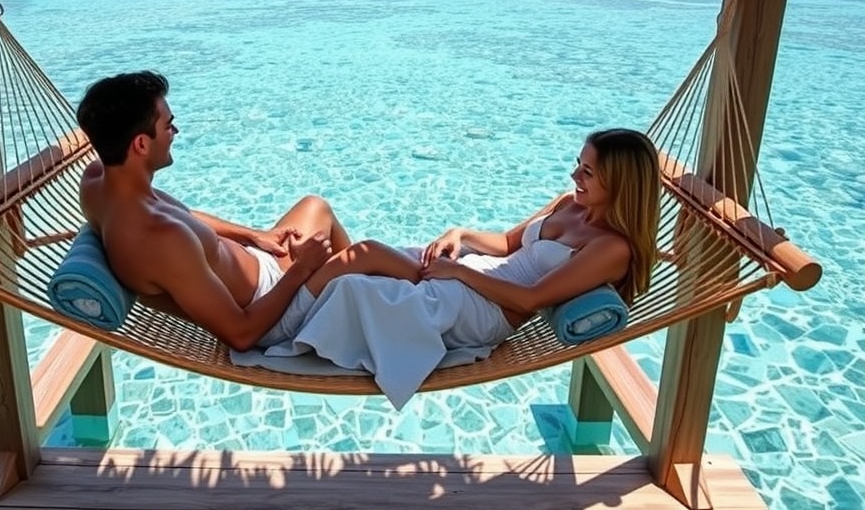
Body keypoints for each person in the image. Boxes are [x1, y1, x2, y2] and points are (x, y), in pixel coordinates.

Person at [275, 128, 662, 349]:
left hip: (488, 311)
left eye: (588, 172)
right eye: (578, 165)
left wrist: (458, 274)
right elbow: (509, 244)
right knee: (361, 264)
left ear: (620, 182)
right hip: (472, 276)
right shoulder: (569, 204)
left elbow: (530, 299)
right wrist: (460, 234)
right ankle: (288, 300)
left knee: (366, 253)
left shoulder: (611, 248)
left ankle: (278, 325)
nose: (575, 177)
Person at [75, 71, 351, 352]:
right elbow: (241, 334)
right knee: (367, 255)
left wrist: (254, 235)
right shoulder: (158, 238)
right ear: (141, 144)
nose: (175, 133)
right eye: (168, 126)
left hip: (263, 266)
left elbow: (184, 214)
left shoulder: (98, 182)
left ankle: (356, 298)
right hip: (270, 307)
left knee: (315, 207)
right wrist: (303, 267)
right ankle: (359, 306)